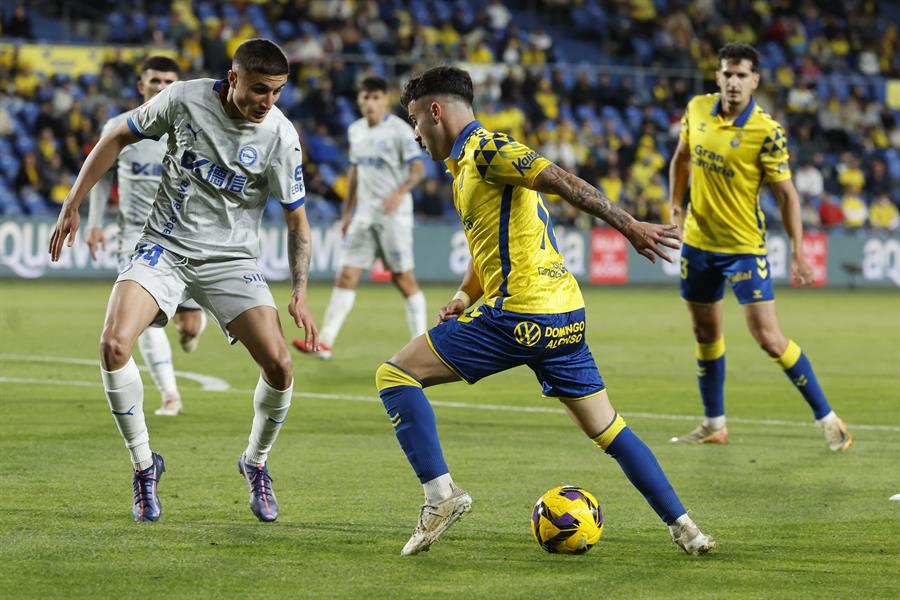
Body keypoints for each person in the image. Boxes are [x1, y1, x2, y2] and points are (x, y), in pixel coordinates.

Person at [375, 66, 716, 557]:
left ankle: (441, 497)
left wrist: (628, 225)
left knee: (395, 376)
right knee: (610, 429)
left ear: (435, 111)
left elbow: (561, 180)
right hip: (564, 316)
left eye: (414, 120)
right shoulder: (464, 168)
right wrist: (463, 297)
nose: (415, 133)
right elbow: (488, 249)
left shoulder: (488, 149)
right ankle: (686, 529)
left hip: (520, 316)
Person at [48, 39, 318, 523]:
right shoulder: (183, 99)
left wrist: (299, 290)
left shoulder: (281, 135)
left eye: (277, 92)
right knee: (113, 344)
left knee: (280, 364)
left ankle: (255, 463)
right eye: (259, 90)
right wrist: (74, 201)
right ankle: (144, 465)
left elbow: (297, 220)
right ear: (233, 78)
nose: (268, 102)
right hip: (165, 248)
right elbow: (115, 135)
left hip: (231, 258)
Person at [667, 43, 852, 451]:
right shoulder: (697, 110)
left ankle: (828, 419)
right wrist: (676, 205)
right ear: (718, 77)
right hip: (698, 245)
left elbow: (787, 196)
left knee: (769, 337)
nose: (733, 82)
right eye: (727, 74)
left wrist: (800, 252)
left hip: (743, 248)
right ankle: (714, 424)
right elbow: (681, 158)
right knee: (704, 332)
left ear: (755, 80)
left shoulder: (767, 132)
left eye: (742, 75)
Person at [86, 56, 207, 417]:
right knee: (142, 319)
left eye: (170, 81)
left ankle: (190, 330)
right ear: (142, 86)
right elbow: (101, 174)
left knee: (187, 328)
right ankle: (170, 394)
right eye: (155, 81)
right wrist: (93, 221)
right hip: (136, 238)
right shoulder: (121, 127)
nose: (161, 87)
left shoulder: (191, 131)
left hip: (184, 238)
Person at [293, 76, 426, 360]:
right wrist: (346, 213)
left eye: (375, 97)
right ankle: (325, 342)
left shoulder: (401, 131)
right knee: (346, 275)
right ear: (359, 100)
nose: (369, 103)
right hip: (364, 215)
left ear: (385, 100)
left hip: (394, 215)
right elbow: (354, 173)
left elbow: (418, 169)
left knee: (404, 279)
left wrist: (399, 193)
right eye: (365, 97)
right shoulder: (355, 131)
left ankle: (422, 344)